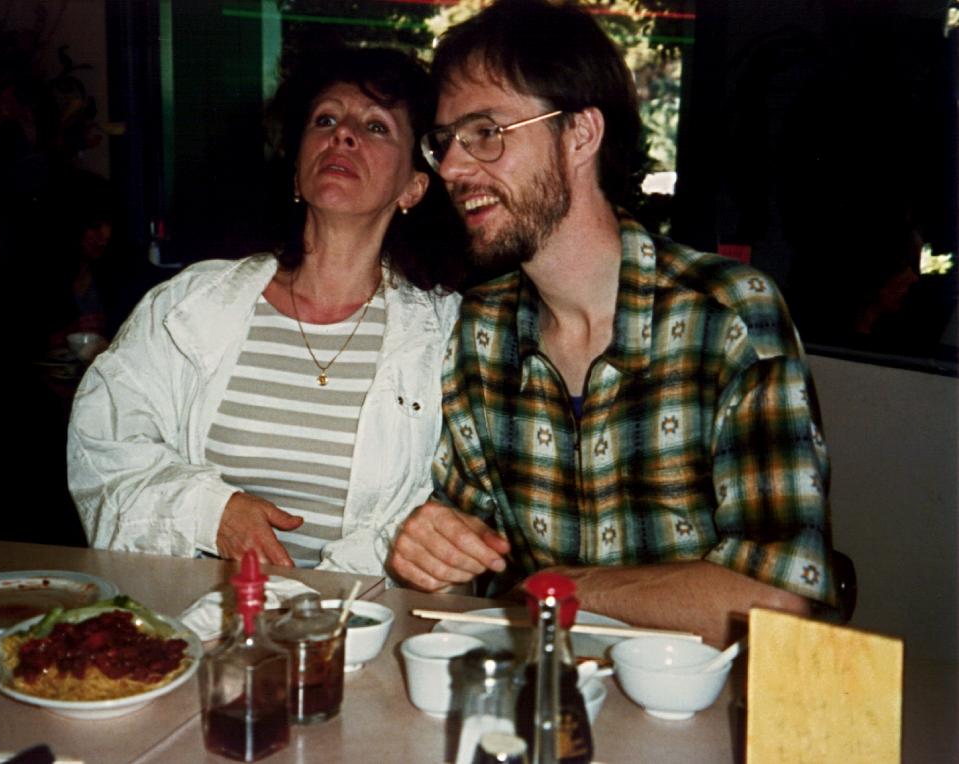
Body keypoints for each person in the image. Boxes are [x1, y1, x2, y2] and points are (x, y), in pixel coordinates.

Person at [387, 0, 836, 646]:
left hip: (696, 701)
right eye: (445, 142)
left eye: (485, 132)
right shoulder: (480, 333)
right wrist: (433, 560)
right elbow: (468, 586)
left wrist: (563, 587)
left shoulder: (726, 317)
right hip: (541, 689)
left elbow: (777, 600)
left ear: (580, 134)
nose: (453, 168)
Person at [67, 45, 465, 575]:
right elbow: (103, 448)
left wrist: (315, 599)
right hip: (202, 608)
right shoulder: (190, 304)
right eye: (325, 120)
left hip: (362, 614)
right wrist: (209, 513)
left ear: (413, 187)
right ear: (297, 172)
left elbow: (459, 503)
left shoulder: (447, 333)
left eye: (376, 127)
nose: (342, 135)